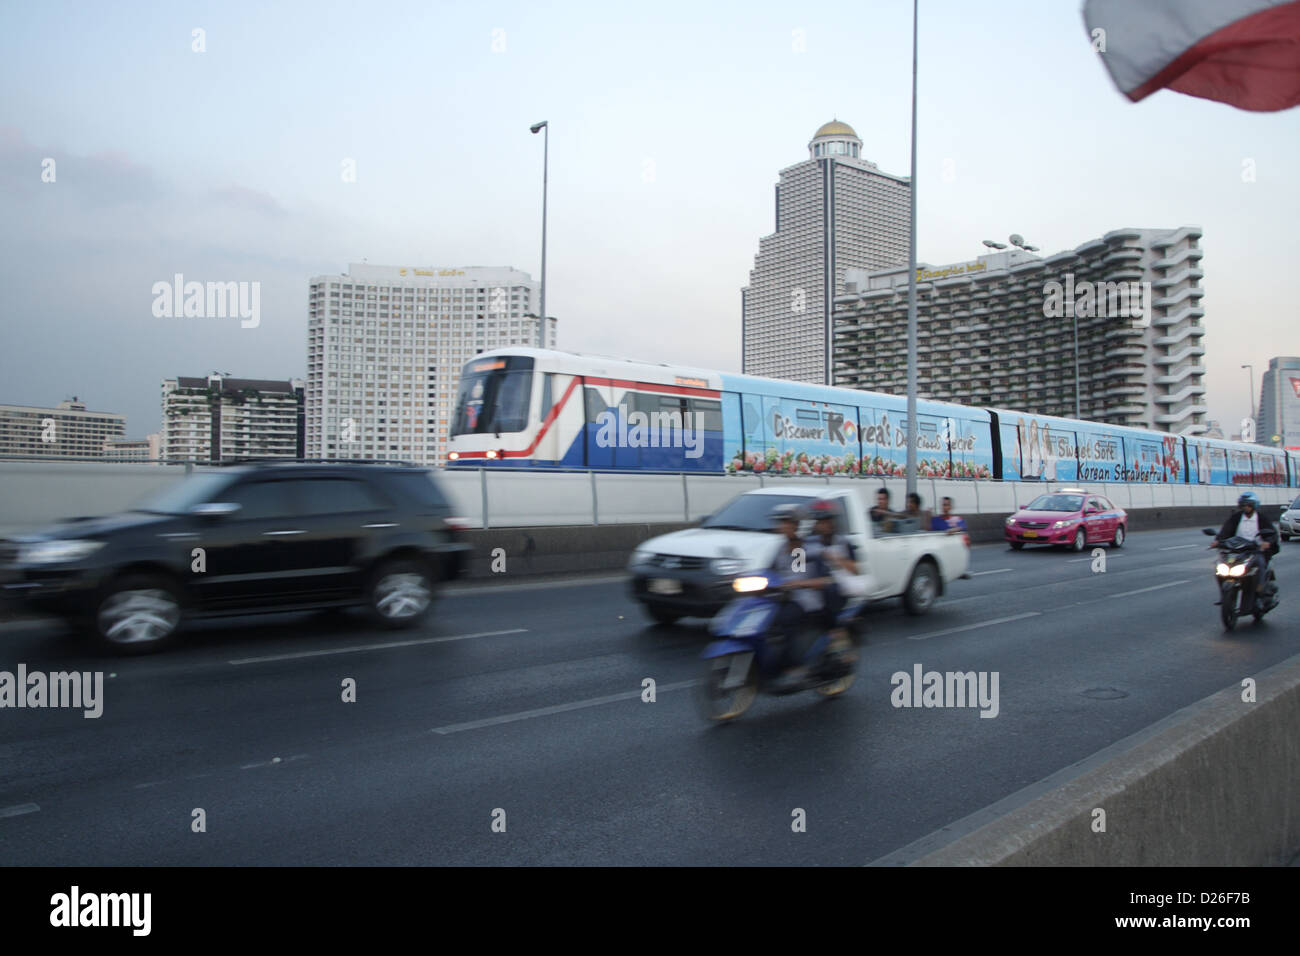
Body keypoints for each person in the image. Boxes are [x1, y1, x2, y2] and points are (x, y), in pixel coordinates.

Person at [766, 502, 836, 684]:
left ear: (799, 526)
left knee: (785, 620)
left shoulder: (801, 550)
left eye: (789, 523)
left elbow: (798, 577)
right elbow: (770, 571)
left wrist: (793, 583)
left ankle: (792, 667)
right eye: (783, 523)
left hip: (804, 599)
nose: (784, 527)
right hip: (786, 597)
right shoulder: (781, 549)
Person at [1212, 492, 1278, 611]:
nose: (1246, 507)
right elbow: (1226, 530)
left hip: (1255, 551)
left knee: (1261, 564)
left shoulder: (1261, 518)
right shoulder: (1236, 517)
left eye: (1248, 505)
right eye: (1244, 505)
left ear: (1254, 505)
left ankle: (1260, 590)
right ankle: (1224, 593)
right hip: (1237, 551)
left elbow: (1272, 533)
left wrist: (1267, 542)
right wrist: (1218, 541)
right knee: (1219, 566)